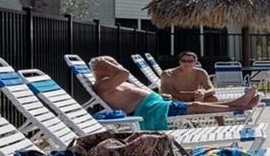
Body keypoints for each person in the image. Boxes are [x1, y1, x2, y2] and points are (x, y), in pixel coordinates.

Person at [89, 56, 261, 132]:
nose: (115, 65)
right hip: (150, 111)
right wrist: (106, 63)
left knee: (196, 105)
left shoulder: (110, 81)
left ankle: (237, 103)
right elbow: (124, 73)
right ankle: (238, 106)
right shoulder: (102, 85)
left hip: (155, 104)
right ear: (101, 69)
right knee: (195, 107)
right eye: (111, 64)